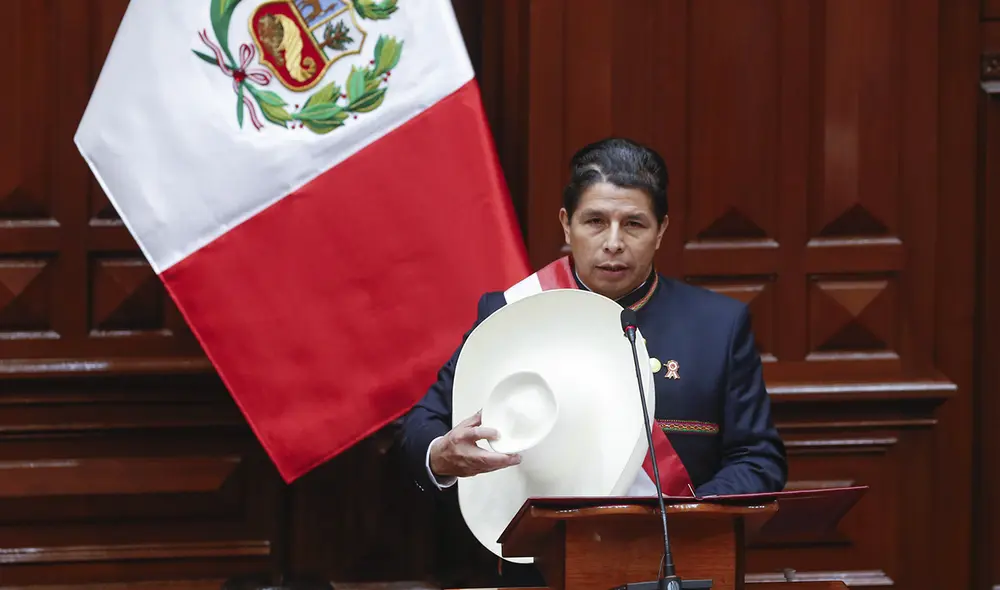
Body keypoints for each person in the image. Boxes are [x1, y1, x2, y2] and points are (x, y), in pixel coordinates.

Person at [398, 137, 787, 584]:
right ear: (567, 225)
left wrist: (683, 521)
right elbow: (421, 428)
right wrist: (441, 456)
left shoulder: (717, 326)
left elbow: (758, 460)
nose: (613, 243)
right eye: (595, 222)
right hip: (545, 570)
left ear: (661, 229)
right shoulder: (512, 314)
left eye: (634, 224)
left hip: (674, 568)